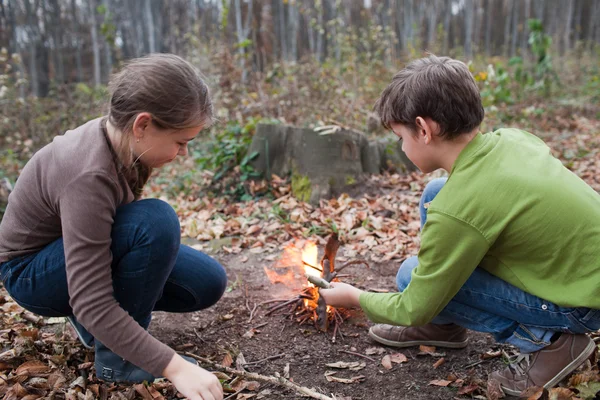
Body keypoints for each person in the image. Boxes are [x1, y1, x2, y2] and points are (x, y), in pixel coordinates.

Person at [320, 55, 600, 396]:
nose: (401, 146)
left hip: (583, 304)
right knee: (435, 193)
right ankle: (443, 326)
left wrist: (356, 297)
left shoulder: (460, 209)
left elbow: (412, 305)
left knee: (410, 276)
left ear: (423, 130)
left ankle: (552, 342)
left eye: (399, 136)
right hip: (582, 273)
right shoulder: (513, 140)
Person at [0, 54, 227, 400]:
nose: (183, 153)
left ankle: (104, 333)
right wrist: (173, 366)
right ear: (143, 125)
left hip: (66, 254)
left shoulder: (121, 142)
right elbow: (90, 300)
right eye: (181, 142)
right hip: (29, 273)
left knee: (207, 282)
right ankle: (116, 359)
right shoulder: (88, 175)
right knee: (155, 222)